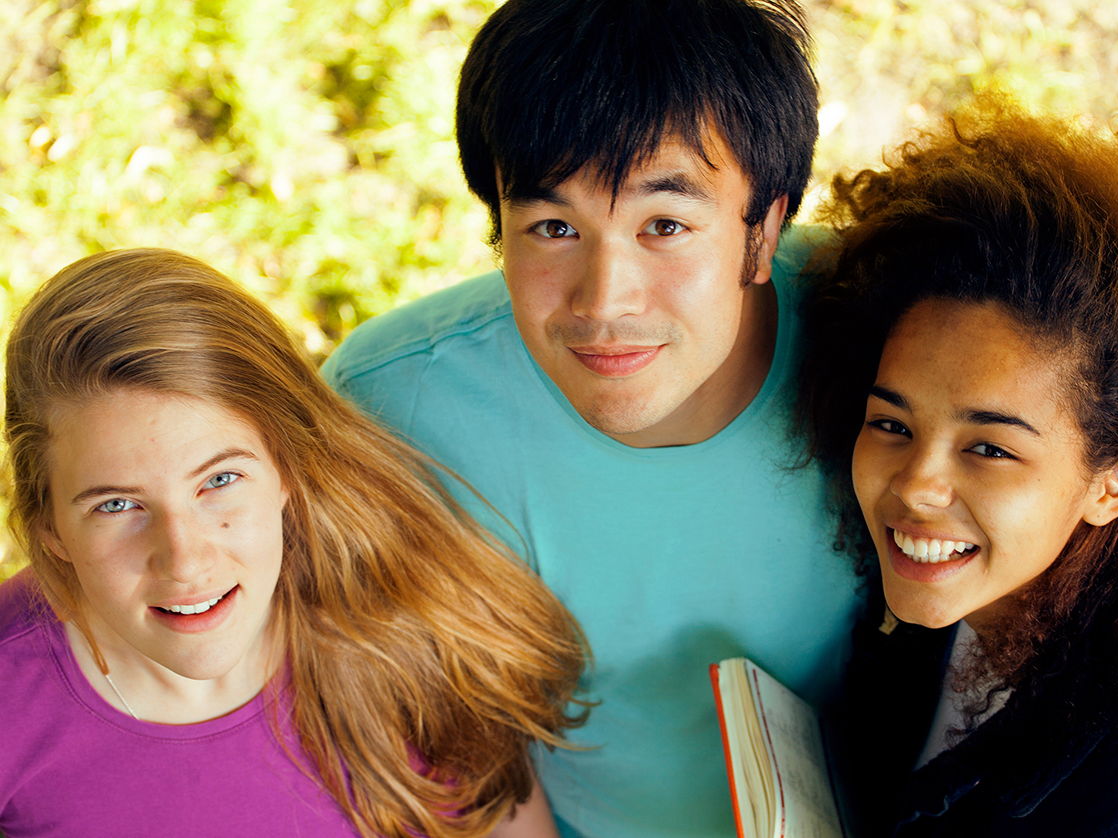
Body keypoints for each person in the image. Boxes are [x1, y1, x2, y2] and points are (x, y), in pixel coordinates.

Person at [321, 1, 862, 836]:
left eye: (666, 225)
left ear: (764, 228)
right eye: (553, 227)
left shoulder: (883, 335)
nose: (604, 301)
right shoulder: (391, 409)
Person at [0, 249, 588, 838]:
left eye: (219, 481)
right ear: (49, 525)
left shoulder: (413, 637)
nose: (185, 560)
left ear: (287, 466)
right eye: (117, 505)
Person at [799, 96, 1118, 836]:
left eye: (989, 448)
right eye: (892, 423)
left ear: (1113, 482)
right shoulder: (945, 604)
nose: (916, 484)